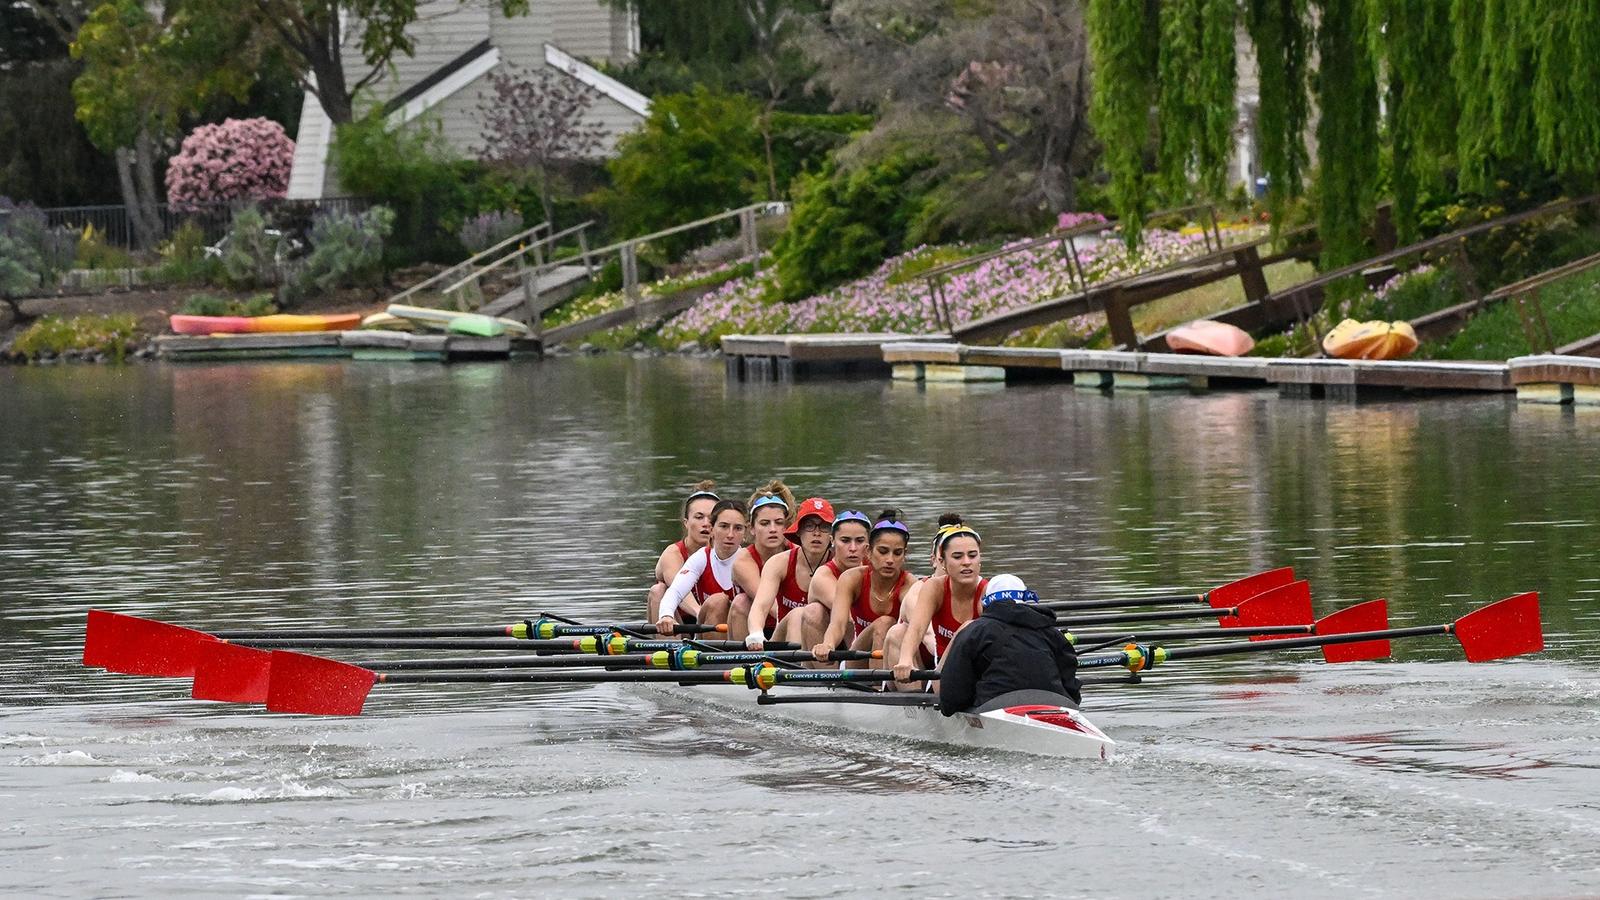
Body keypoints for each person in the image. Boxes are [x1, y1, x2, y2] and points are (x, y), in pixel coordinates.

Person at [937, 575, 1081, 715]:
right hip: (1057, 705)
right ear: (1025, 600)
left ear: (986, 602)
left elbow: (951, 698)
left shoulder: (974, 633)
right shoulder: (1052, 633)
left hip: (992, 707)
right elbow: (1073, 690)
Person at [885, 522, 987, 691]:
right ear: (943, 562)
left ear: (980, 560)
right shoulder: (934, 587)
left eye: (972, 555)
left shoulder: (987, 591)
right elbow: (917, 629)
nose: (967, 562)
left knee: (968, 629)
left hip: (976, 677)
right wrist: (905, 660)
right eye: (957, 556)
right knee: (897, 633)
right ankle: (912, 708)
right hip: (942, 676)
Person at [815, 510, 919, 668]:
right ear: (868, 552)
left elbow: (919, 630)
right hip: (857, 658)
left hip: (895, 658)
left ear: (905, 555)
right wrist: (828, 644)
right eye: (883, 552)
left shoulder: (910, 585)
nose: (890, 560)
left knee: (889, 626)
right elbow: (838, 624)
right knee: (884, 623)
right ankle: (877, 688)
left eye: (897, 553)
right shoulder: (851, 579)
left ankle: (883, 685)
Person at [743, 498, 835, 648]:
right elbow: (760, 606)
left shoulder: (841, 565)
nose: (817, 533)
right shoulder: (779, 563)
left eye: (824, 527)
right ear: (798, 531)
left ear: (832, 534)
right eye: (810, 526)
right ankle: (796, 668)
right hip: (785, 641)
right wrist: (756, 633)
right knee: (799, 614)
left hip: (826, 642)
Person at [656, 498, 750, 634]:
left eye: (738, 528)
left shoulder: (749, 560)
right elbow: (676, 591)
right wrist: (666, 615)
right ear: (711, 529)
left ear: (745, 533)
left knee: (739, 602)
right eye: (724, 526)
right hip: (709, 636)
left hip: (742, 634)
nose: (730, 534)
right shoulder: (701, 557)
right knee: (718, 601)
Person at [727, 482, 798, 642]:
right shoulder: (744, 561)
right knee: (741, 602)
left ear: (787, 526)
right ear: (751, 528)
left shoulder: (799, 552)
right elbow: (769, 605)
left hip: (790, 627)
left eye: (779, 523)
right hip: (756, 631)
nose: (772, 529)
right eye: (765, 523)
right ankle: (744, 662)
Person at [647, 482, 718, 623]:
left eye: (711, 518)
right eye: (699, 517)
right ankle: (667, 644)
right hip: (676, 625)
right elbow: (679, 590)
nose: (706, 523)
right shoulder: (673, 554)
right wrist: (700, 614)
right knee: (658, 591)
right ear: (686, 523)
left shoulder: (732, 553)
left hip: (715, 625)